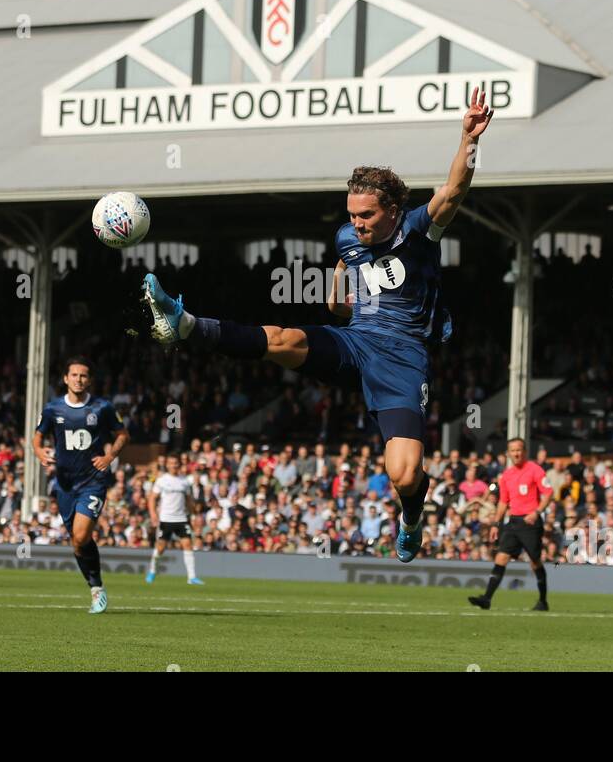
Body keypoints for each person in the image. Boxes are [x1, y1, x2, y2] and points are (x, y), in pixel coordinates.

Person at [141, 89, 493, 563]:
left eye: (366, 214)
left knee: (405, 475)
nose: (357, 223)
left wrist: (467, 140)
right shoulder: (347, 238)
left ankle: (411, 521)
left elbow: (453, 190)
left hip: (403, 360)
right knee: (282, 338)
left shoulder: (418, 230)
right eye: (351, 214)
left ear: (391, 209)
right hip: (354, 342)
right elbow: (343, 302)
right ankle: (186, 324)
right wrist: (337, 299)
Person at [31, 356, 130, 614]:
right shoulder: (53, 409)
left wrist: (109, 457)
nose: (79, 379)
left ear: (90, 380)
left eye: (84, 375)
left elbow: (123, 435)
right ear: (65, 379)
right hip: (64, 484)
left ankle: (97, 589)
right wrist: (40, 453)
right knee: (76, 542)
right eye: (74, 375)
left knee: (82, 535)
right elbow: (37, 438)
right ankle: (94, 586)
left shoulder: (102, 407)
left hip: (93, 482)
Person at [467, 438, 553, 611]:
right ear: (508, 453)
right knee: (501, 557)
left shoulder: (535, 469)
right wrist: (495, 524)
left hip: (531, 524)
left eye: (519, 450)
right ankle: (487, 598)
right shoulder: (506, 475)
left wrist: (536, 512)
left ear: (525, 451)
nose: (516, 453)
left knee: (535, 562)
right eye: (513, 450)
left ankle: (543, 601)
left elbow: (549, 492)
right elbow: (503, 502)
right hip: (513, 522)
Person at [146, 455, 203, 585]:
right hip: (166, 519)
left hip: (181, 518)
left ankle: (192, 577)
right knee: (161, 547)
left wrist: (193, 514)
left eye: (176, 463)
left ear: (179, 464)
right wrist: (153, 515)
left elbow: (189, 500)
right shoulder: (162, 480)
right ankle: (152, 571)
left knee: (188, 544)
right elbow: (152, 498)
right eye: (171, 463)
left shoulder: (184, 481)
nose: (174, 465)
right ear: (167, 465)